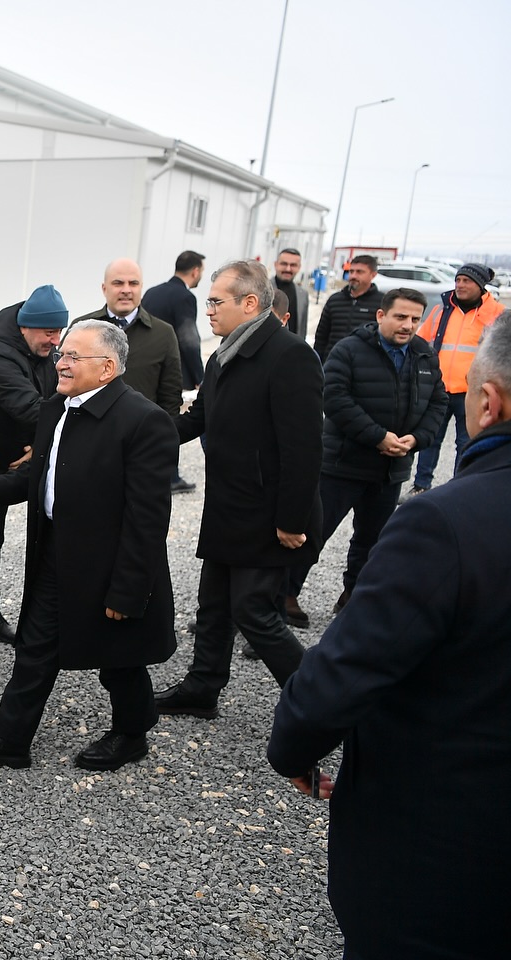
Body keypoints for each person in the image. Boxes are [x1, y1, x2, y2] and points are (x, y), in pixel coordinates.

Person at [266, 315, 511, 960]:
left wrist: (295, 747)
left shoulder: (447, 525)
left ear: (488, 403)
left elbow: (344, 673)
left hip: (449, 854)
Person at [0, 320, 178, 772]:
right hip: (55, 551)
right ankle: (10, 738)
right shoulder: (56, 407)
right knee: (36, 645)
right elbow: (44, 473)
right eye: (61, 354)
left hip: (110, 563)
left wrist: (128, 590)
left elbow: (147, 519)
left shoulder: (143, 421)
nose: (60, 363)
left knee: (118, 655)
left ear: (107, 368)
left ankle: (132, 732)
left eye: (72, 356)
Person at [155, 260, 323, 720]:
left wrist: (291, 519)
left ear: (250, 303)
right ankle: (202, 687)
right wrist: (134, 432)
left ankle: (322, 698)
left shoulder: (290, 355)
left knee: (253, 611)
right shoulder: (224, 355)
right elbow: (197, 419)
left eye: (215, 301)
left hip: (267, 513)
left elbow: (304, 449)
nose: (207, 309)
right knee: (213, 605)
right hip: (227, 507)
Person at [282, 288, 447, 621]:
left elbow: (438, 402)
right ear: (381, 315)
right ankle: (282, 597)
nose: (408, 325)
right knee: (313, 534)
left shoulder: (424, 355)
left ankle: (354, 599)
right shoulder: (349, 350)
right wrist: (378, 437)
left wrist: (417, 439)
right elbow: (334, 398)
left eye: (415, 319)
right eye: (401, 317)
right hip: (342, 465)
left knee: (373, 541)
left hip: (390, 470)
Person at [0, 285, 65, 644]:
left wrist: (38, 445)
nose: (55, 340)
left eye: (59, 332)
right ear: (25, 327)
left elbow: (55, 402)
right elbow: (35, 409)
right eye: (49, 332)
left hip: (5, 467)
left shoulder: (39, 353)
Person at [74, 258, 190, 493]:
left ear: (141, 288)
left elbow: (170, 398)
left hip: (140, 448)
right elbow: (66, 387)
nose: (126, 290)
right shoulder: (82, 330)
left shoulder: (163, 334)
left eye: (133, 283)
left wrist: (163, 447)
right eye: (118, 283)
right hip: (88, 445)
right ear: (104, 288)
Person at [407, 263, 505, 497]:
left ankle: (459, 490)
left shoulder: (497, 314)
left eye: (466, 281)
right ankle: (421, 486)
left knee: (467, 442)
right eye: (458, 280)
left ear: (480, 285)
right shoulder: (442, 310)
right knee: (430, 439)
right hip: (439, 388)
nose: (460, 285)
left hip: (475, 391)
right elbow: (421, 342)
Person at [140, 249, 206, 390]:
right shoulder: (185, 297)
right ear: (195, 271)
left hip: (146, 369)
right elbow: (189, 340)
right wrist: (199, 377)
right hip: (172, 373)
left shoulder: (151, 292)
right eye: (202, 271)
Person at [314, 254, 381, 362]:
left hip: (364, 364)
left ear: (373, 275)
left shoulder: (381, 303)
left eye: (359, 272)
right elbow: (321, 336)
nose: (353, 276)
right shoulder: (335, 300)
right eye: (351, 271)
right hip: (332, 361)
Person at [272, 248, 309, 339]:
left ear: (299, 267)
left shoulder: (303, 295)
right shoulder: (261, 290)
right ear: (276, 264)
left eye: (293, 265)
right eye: (284, 264)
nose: (288, 269)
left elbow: (302, 329)